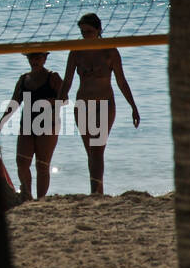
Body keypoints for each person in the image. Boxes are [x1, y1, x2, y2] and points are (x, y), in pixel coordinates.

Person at [59, 13, 139, 195]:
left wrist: (133, 107)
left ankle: (95, 192)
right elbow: (67, 81)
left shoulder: (109, 51)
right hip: (83, 105)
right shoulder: (76, 51)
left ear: (98, 30)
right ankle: (97, 190)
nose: (85, 35)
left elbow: (121, 81)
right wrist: (58, 102)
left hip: (104, 104)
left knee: (97, 150)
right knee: (91, 152)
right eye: (82, 32)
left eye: (89, 31)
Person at [0, 51, 63, 201]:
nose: (34, 61)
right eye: (31, 58)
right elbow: (14, 103)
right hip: (27, 124)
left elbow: (64, 99)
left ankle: (41, 199)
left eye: (38, 57)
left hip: (48, 124)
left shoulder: (53, 77)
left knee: (42, 165)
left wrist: (49, 102)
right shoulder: (24, 79)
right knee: (22, 162)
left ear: (45, 58)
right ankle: (27, 195)